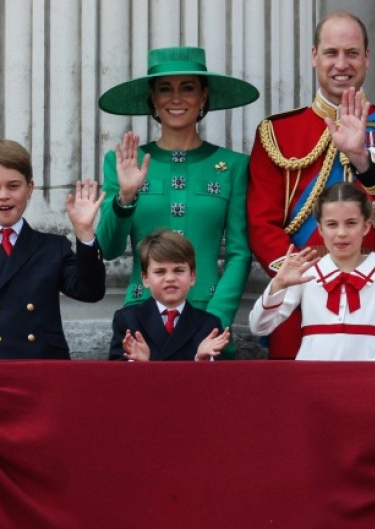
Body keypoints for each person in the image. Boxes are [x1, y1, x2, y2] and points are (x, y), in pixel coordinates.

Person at [247, 11, 375, 359]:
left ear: (367, 57)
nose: (341, 64)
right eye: (331, 53)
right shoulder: (277, 132)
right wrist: (304, 278)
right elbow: (261, 224)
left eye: (352, 53)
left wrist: (364, 161)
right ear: (314, 56)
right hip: (300, 298)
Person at [97, 46, 258, 360]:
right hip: (143, 320)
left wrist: (215, 321)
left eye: (188, 88)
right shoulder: (124, 162)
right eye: (165, 89)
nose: (176, 98)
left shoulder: (234, 165)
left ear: (203, 96)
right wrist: (125, 196)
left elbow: (240, 253)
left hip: (210, 322)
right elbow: (109, 247)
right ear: (153, 98)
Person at [0, 139, 106, 360]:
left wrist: (85, 234)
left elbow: (90, 291)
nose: (4, 195)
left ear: (29, 189)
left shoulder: (53, 246)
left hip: (43, 368)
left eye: (13, 186)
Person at [248, 182, 375, 360]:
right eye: (332, 224)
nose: (341, 233)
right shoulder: (307, 270)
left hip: (365, 380)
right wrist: (278, 284)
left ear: (366, 226)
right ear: (320, 229)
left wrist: (369, 378)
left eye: (351, 223)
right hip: (312, 380)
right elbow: (259, 327)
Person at [109, 229, 230, 361]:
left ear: (192, 277)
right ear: (145, 279)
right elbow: (115, 376)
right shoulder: (128, 320)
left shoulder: (209, 325)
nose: (170, 278)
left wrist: (201, 360)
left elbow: (217, 379)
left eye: (178, 270)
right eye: (160, 271)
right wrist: (139, 364)